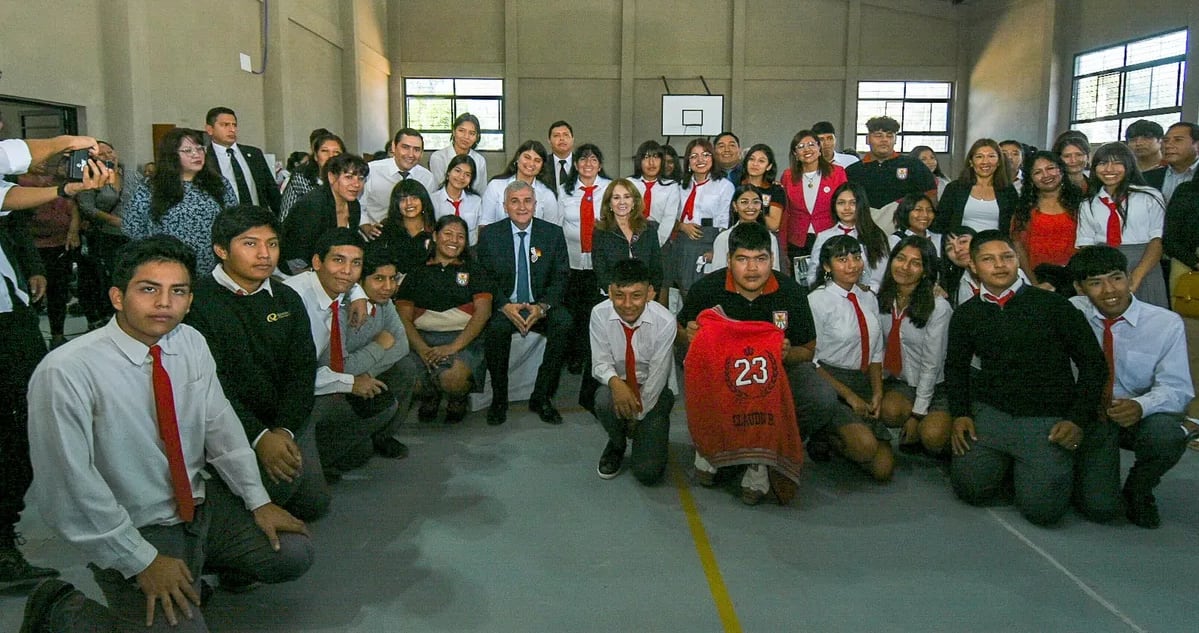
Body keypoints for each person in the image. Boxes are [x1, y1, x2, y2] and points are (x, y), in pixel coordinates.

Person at [21, 235, 313, 632]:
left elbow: (220, 426)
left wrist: (257, 500)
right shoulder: (67, 372)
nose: (164, 303)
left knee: (293, 554)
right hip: (132, 522)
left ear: (190, 301)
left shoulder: (190, 342)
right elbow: (68, 486)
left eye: (178, 291)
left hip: (197, 505)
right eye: (148, 289)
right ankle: (64, 609)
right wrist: (140, 559)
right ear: (117, 297)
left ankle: (189, 573)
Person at [0, 136, 108, 589]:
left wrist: (65, 189)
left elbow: (7, 193)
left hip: (9, 314)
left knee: (25, 421)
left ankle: (3, 533)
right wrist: (66, 142)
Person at [946, 230, 1106, 526]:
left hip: (1046, 419)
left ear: (1017, 259)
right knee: (970, 489)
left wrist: (1076, 419)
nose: (1000, 265)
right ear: (974, 266)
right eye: (988, 259)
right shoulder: (967, 314)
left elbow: (1093, 365)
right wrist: (961, 413)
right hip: (992, 415)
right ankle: (1015, 468)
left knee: (1042, 512)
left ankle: (1041, 469)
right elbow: (955, 368)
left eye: (1007, 256)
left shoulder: (1054, 306)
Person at [185, 205, 329, 520]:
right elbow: (212, 386)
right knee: (271, 497)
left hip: (282, 423)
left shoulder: (287, 299)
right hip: (225, 429)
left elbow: (302, 372)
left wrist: (284, 432)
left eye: (272, 244)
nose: (265, 254)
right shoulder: (196, 302)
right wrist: (259, 437)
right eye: (250, 243)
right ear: (221, 249)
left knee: (314, 504)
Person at [678, 222, 830, 505]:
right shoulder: (707, 289)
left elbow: (808, 350)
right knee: (692, 364)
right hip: (721, 376)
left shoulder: (791, 293)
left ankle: (764, 453)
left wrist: (787, 353)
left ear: (772, 260)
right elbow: (677, 331)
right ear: (728, 260)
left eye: (760, 259)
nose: (752, 269)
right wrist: (689, 335)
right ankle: (715, 445)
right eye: (743, 259)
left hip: (775, 376)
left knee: (821, 398)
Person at [1067, 245, 1197, 528]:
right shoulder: (1071, 313)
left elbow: (1178, 388)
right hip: (1091, 415)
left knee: (1167, 436)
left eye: (1116, 278)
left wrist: (1141, 405)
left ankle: (1140, 488)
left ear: (1128, 277)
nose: (1110, 290)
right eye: (1095, 283)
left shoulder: (1164, 323)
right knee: (1100, 509)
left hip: (1138, 414)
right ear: (1080, 288)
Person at [283, 228, 396, 480]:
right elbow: (295, 378)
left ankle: (317, 458)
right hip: (290, 399)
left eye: (356, 263)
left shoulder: (341, 288)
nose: (347, 270)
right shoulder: (296, 301)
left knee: (361, 451)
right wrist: (350, 383)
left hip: (322, 381)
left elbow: (348, 282)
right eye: (338, 260)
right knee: (314, 505)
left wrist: (357, 294)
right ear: (316, 262)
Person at [475, 180, 571, 426]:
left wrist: (543, 307)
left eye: (527, 200)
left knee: (564, 323)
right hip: (506, 305)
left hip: (540, 305)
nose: (521, 207)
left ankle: (541, 396)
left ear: (535, 205)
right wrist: (504, 305)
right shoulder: (490, 235)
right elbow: (484, 277)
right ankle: (499, 398)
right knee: (495, 329)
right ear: (505, 206)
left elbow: (561, 276)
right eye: (514, 201)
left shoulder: (552, 234)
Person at [807, 235, 896, 481]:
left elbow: (876, 350)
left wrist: (877, 392)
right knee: (865, 448)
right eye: (842, 259)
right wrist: (849, 396)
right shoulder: (817, 301)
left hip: (864, 379)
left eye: (856, 258)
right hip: (831, 383)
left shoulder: (868, 296)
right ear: (827, 266)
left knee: (883, 470)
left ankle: (848, 436)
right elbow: (812, 360)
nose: (852, 265)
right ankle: (824, 435)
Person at [395, 215, 493, 424]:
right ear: (435, 236)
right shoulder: (416, 271)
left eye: (460, 236)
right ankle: (430, 395)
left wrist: (452, 347)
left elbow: (482, 313)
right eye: (448, 234)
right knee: (409, 377)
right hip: (421, 340)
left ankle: (458, 399)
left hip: (462, 339)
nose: (454, 240)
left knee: (452, 379)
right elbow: (403, 318)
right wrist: (422, 349)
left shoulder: (474, 271)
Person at [591, 259, 676, 484]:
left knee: (648, 474)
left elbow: (658, 377)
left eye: (636, 295)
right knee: (602, 398)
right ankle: (617, 443)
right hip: (620, 384)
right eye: (619, 295)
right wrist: (616, 383)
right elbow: (600, 363)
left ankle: (645, 433)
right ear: (609, 291)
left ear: (650, 293)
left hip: (653, 392)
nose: (627, 304)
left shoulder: (665, 322)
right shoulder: (599, 314)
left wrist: (637, 417)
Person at [125, 128, 236, 279]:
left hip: (213, 269)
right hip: (166, 268)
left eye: (199, 149)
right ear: (171, 156)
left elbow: (232, 222)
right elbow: (133, 227)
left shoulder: (219, 184)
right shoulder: (152, 187)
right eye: (187, 150)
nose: (196, 154)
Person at [877, 236, 953, 455]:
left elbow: (932, 364)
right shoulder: (883, 298)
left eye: (916, 263)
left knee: (933, 437)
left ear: (926, 270)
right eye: (900, 258)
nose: (905, 267)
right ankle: (916, 432)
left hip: (937, 386)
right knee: (889, 412)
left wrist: (916, 415)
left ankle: (933, 429)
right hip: (903, 382)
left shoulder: (938, 307)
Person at [339, 243, 412, 458]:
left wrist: (367, 374)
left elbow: (402, 344)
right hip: (333, 382)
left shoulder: (385, 303)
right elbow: (341, 366)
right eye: (379, 278)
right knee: (356, 457)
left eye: (393, 278)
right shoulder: (343, 308)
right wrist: (378, 346)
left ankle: (383, 436)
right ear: (360, 280)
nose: (388, 287)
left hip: (364, 373)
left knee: (406, 367)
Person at [1075, 142, 1168, 308]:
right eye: (1103, 163)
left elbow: (1158, 240)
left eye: (1117, 163)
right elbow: (1086, 245)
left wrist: (1137, 275)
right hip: (1103, 267)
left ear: (1129, 165)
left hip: (1144, 264)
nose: (1109, 169)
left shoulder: (1149, 196)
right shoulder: (1088, 204)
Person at [18, 159, 80, 349]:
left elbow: (72, 205)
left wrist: (73, 230)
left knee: (58, 291)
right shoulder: (19, 182)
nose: (44, 164)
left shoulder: (54, 180)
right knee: (32, 293)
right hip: (33, 248)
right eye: (38, 160)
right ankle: (30, 338)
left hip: (60, 244)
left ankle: (57, 334)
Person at [279, 152, 368, 275]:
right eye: (349, 177)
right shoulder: (314, 204)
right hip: (300, 265)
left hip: (333, 263)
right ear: (331, 177)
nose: (356, 184)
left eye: (361, 178)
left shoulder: (353, 205)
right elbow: (300, 251)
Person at [845, 116, 937, 234]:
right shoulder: (853, 171)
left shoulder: (914, 166)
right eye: (878, 135)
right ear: (867, 139)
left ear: (895, 139)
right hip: (864, 232)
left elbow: (931, 198)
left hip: (905, 235)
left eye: (889, 135)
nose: (884, 140)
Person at [76, 140, 130, 330]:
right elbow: (86, 207)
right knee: (109, 277)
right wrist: (112, 220)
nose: (108, 156)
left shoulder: (130, 175)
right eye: (102, 154)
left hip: (133, 235)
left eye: (110, 151)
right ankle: (110, 317)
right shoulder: (90, 178)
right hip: (106, 235)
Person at [1010, 151, 1084, 282]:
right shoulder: (1024, 208)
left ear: (1061, 170)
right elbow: (1018, 246)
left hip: (1078, 279)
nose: (1045, 175)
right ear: (1031, 179)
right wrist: (1033, 283)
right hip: (1037, 279)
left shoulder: (1080, 203)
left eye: (1050, 168)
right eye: (1037, 172)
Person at [674, 138, 734, 295]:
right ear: (688, 162)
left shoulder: (724, 186)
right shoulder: (680, 186)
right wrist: (682, 226)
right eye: (694, 156)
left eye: (705, 155)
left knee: (708, 293)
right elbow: (671, 216)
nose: (700, 160)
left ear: (713, 158)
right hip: (683, 243)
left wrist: (718, 251)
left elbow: (725, 222)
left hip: (710, 241)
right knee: (685, 291)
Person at [806, 182, 889, 291]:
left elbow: (879, 278)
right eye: (841, 203)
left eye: (853, 203)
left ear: (861, 205)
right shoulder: (824, 236)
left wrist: (865, 294)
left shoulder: (875, 236)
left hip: (867, 297)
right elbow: (813, 274)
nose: (846, 208)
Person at [782, 129, 849, 263]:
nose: (807, 149)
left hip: (829, 236)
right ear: (795, 154)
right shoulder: (788, 176)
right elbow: (786, 213)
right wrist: (783, 247)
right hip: (797, 240)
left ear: (819, 148)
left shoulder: (837, 173)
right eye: (800, 147)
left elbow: (845, 206)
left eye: (811, 144)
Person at [203, 106, 281, 215]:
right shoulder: (204, 158)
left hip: (257, 218)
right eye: (225, 125)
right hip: (226, 221)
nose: (232, 130)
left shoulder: (254, 154)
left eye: (234, 125)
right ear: (209, 129)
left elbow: (271, 191)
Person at [932, 138, 1018, 235]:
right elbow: (942, 223)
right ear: (971, 162)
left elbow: (1014, 226)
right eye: (979, 156)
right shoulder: (955, 188)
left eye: (991, 156)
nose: (985, 161)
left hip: (995, 245)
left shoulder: (1008, 191)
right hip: (961, 246)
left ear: (999, 162)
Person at [360, 128, 436, 236]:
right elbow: (358, 205)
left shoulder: (427, 178)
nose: (411, 154)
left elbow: (428, 211)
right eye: (405, 147)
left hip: (413, 239)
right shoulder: (371, 171)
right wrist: (366, 226)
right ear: (394, 147)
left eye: (416, 149)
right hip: (374, 236)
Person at [592, 178, 662, 291]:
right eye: (616, 198)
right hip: (613, 294)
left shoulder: (648, 229)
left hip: (645, 294)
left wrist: (652, 290)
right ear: (609, 203)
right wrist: (616, 293)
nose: (622, 202)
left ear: (634, 201)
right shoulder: (601, 231)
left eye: (627, 197)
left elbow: (656, 266)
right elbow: (600, 268)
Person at [480, 140, 558, 225]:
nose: (531, 163)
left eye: (537, 160)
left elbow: (552, 231)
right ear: (517, 157)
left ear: (542, 166)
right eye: (527, 157)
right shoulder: (495, 186)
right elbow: (485, 224)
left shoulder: (547, 194)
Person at [708, 185, 781, 274]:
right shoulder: (724, 238)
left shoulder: (770, 238)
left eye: (756, 202)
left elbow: (774, 272)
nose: (751, 207)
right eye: (744, 202)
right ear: (735, 206)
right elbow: (718, 274)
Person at [279, 131, 345, 221]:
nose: (331, 156)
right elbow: (285, 217)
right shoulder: (300, 179)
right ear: (316, 156)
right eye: (325, 151)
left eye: (336, 152)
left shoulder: (350, 181)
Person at [378, 177, 436, 276]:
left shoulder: (435, 229)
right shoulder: (385, 229)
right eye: (403, 199)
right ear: (396, 204)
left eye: (414, 198)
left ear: (423, 200)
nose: (409, 203)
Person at [428, 113, 489, 196]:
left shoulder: (479, 160)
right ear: (453, 131)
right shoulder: (438, 157)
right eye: (461, 131)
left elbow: (482, 191)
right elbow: (438, 187)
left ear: (477, 137)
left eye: (472, 133)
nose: (466, 137)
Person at [431, 153, 484, 245]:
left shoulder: (476, 201)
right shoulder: (432, 200)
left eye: (467, 174)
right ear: (448, 173)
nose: (461, 177)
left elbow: (479, 232)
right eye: (457, 171)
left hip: (469, 251)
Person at [739, 143, 785, 233]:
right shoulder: (737, 186)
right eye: (751, 159)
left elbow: (774, 225)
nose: (755, 164)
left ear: (769, 166)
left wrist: (752, 211)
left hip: (765, 237)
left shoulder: (776, 190)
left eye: (761, 161)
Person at [548, 120, 575, 190]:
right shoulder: (542, 164)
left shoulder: (581, 163)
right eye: (556, 136)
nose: (561, 139)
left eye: (566, 135)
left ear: (572, 139)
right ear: (549, 141)